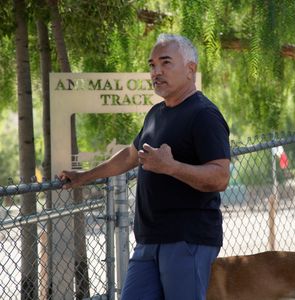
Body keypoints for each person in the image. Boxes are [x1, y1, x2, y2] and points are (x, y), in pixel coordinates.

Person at [59, 33, 231, 300]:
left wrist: (172, 167)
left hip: (187, 240)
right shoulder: (156, 114)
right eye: (152, 65)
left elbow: (220, 177)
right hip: (148, 241)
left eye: (165, 63)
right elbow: (130, 155)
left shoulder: (204, 115)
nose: (156, 72)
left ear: (190, 69)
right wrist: (85, 176)